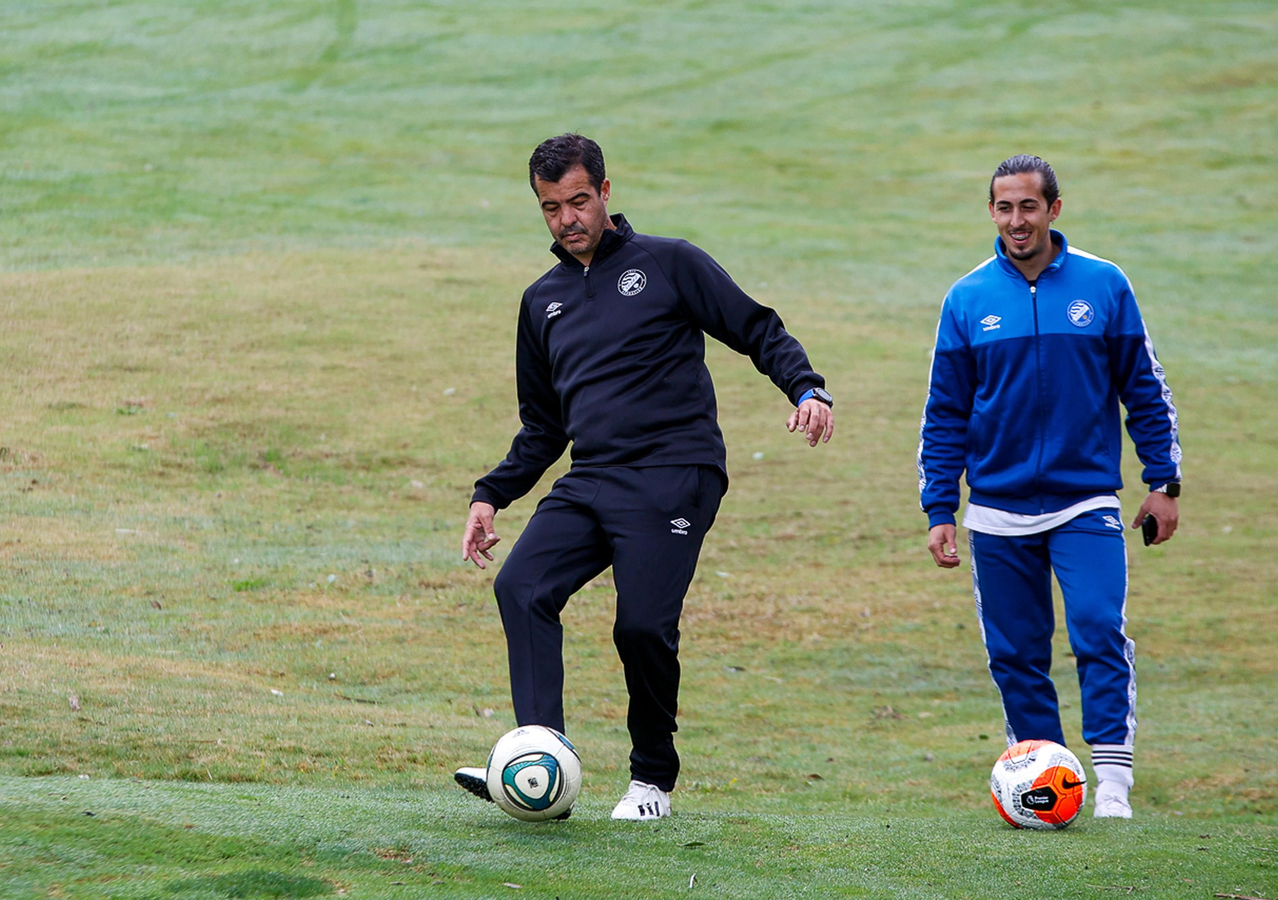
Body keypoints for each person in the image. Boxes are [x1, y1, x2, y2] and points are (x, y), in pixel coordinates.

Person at [454, 133, 835, 821]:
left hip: (674, 473)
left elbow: (756, 327)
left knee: (640, 628)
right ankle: (543, 764)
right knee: (521, 585)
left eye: (577, 201)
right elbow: (543, 428)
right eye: (549, 208)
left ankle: (651, 779)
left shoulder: (668, 263)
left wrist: (806, 389)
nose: (566, 219)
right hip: (593, 476)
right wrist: (491, 493)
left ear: (604, 192)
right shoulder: (541, 301)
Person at [918, 154, 1181, 818]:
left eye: (1028, 206)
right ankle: (1043, 783)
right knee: (1016, 654)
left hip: (1085, 500)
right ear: (991, 213)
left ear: (1053, 210)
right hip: (997, 509)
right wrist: (939, 507)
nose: (1017, 221)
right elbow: (944, 414)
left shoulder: (1105, 285)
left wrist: (1163, 481)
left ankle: (1114, 786)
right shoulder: (967, 299)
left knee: (1097, 628)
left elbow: (1144, 391)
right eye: (1004, 208)